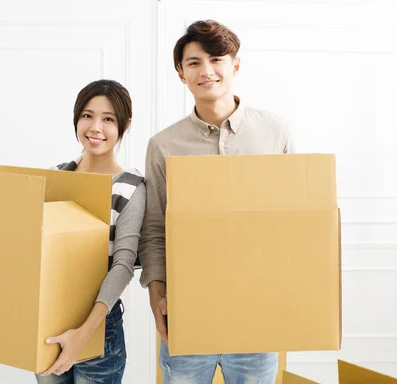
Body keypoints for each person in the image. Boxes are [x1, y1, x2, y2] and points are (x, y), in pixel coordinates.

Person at [139, 20, 293, 384]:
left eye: (216, 59)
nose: (206, 71)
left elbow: (292, 221)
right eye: (194, 63)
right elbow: (155, 228)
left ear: (234, 65)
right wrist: (157, 297)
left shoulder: (274, 132)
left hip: (257, 315)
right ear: (181, 74)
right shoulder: (164, 145)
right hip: (188, 313)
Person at [37, 79, 146, 384]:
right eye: (87, 115)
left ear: (124, 125)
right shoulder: (56, 177)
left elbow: (123, 266)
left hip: (99, 325)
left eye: (108, 119)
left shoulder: (131, 187)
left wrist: (83, 334)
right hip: (47, 319)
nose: (95, 127)